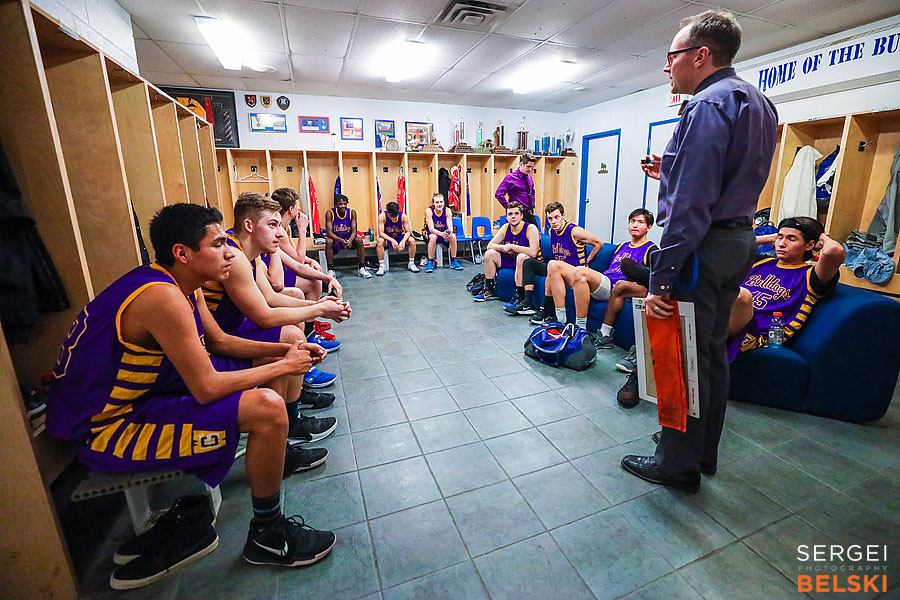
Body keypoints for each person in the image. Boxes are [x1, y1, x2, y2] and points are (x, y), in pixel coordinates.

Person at [45, 204, 337, 585]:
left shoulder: (174, 282)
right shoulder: (163, 297)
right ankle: (268, 533)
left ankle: (276, 455)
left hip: (142, 400)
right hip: (107, 430)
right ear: (183, 253)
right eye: (217, 244)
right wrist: (285, 365)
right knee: (267, 408)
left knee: (273, 361)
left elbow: (217, 341)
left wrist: (283, 352)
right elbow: (207, 386)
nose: (229, 251)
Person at [620, 9, 778, 492]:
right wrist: (671, 169)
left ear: (701, 55)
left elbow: (691, 204)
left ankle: (676, 464)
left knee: (679, 351)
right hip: (737, 240)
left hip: (702, 244)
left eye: (672, 56)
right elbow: (728, 178)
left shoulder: (706, 105)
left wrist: (661, 279)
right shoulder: (756, 101)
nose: (667, 67)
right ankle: (701, 452)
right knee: (709, 353)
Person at [203, 192, 350, 409]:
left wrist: (320, 305)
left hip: (231, 327)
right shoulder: (235, 257)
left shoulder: (247, 253)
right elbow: (265, 315)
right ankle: (290, 416)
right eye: (273, 225)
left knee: (292, 327)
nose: (280, 233)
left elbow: (271, 298)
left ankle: (294, 399)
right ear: (249, 226)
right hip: (219, 340)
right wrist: (320, 310)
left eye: (279, 225)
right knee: (290, 336)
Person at [727, 217, 844, 359]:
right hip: (725, 319)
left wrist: (822, 237)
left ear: (809, 245)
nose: (782, 244)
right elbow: (727, 246)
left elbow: (834, 251)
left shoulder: (810, 276)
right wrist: (770, 238)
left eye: (792, 239)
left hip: (756, 334)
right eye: (780, 238)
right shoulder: (763, 262)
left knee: (742, 296)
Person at [543, 209, 657, 348]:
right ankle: (560, 321)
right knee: (554, 265)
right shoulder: (622, 246)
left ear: (649, 227)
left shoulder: (651, 249)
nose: (635, 225)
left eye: (640, 222)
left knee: (581, 272)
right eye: (632, 221)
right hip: (605, 280)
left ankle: (580, 329)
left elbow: (651, 278)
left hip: (615, 287)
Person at [264, 187, 342, 346]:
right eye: (298, 207)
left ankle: (310, 327)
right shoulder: (281, 230)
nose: (300, 211)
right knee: (312, 283)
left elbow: (293, 255)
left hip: (279, 270)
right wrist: (302, 229)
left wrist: (310, 261)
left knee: (314, 277)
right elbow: (297, 261)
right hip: (273, 275)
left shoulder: (283, 228)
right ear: (291, 209)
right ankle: (309, 333)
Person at [507, 201, 602, 316]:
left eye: (556, 217)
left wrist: (587, 261)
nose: (553, 222)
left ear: (563, 216)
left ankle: (544, 310)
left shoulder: (575, 231)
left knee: (552, 270)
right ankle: (527, 303)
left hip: (574, 272)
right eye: (550, 219)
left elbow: (598, 243)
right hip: (558, 269)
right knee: (528, 262)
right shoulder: (552, 231)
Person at [473, 201, 540, 302]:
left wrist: (513, 247)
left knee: (521, 256)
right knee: (489, 254)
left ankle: (519, 296)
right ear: (507, 217)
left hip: (527, 263)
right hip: (511, 260)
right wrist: (504, 247)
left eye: (516, 213)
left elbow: (533, 252)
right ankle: (489, 290)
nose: (513, 217)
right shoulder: (505, 227)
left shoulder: (530, 228)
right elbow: (490, 245)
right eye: (510, 214)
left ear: (521, 216)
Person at [325, 194, 370, 279]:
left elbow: (354, 231)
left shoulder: (352, 212)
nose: (343, 206)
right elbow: (329, 233)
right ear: (336, 205)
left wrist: (349, 240)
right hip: (337, 239)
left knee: (359, 240)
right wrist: (341, 240)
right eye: (340, 204)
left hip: (349, 239)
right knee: (328, 241)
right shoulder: (330, 213)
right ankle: (331, 269)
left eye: (345, 204)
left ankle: (362, 267)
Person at [422, 192, 464, 273]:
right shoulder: (429, 211)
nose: (439, 204)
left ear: (444, 202)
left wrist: (447, 233)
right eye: (437, 202)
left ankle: (454, 260)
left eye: (441, 202)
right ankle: (430, 261)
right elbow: (431, 229)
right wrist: (442, 234)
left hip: (442, 231)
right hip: (428, 232)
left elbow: (450, 227)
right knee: (433, 236)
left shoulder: (447, 210)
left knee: (453, 236)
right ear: (433, 203)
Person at [375, 201, 419, 275]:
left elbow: (408, 232)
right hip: (387, 237)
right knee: (380, 241)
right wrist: (391, 240)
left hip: (398, 237)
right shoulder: (382, 216)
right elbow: (381, 233)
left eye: (395, 216)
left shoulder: (403, 216)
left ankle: (411, 263)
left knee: (412, 240)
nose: (394, 218)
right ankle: (382, 265)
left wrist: (403, 241)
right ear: (388, 212)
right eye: (391, 216)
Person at [495, 153, 537, 225]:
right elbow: (498, 194)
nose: (530, 169)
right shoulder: (510, 178)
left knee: (534, 233)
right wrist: (509, 208)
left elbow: (532, 191)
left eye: (532, 167)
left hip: (528, 212)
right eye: (528, 166)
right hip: (516, 214)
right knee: (516, 235)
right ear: (521, 164)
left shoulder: (529, 177)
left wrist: (532, 205)